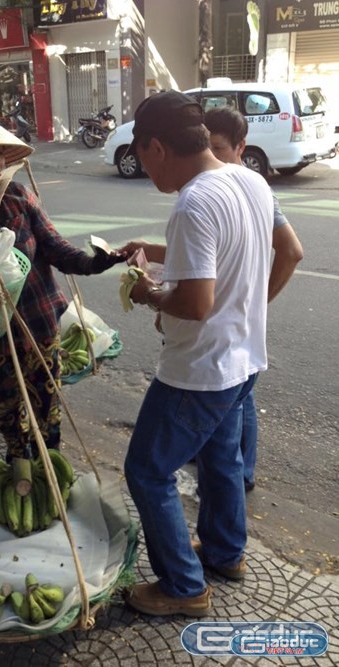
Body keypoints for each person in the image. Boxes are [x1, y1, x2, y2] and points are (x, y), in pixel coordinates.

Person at [118, 91, 274, 617]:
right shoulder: (247, 179)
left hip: (200, 370)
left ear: (157, 146)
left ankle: (183, 588)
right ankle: (227, 553)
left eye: (142, 158)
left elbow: (194, 301)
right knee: (220, 457)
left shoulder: (193, 202)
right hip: (244, 359)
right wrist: (156, 253)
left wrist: (148, 293)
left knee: (146, 471)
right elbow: (245, 255)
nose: (145, 171)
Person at [0, 105, 125, 462]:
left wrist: (95, 263)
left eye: (1, 152)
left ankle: (51, 473)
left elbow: (55, 248)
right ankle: (20, 472)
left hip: (39, 322)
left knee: (47, 410)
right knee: (10, 413)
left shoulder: (16, 195)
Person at [204, 106, 303, 491]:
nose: (209, 158)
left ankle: (237, 476)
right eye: (204, 146)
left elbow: (292, 251)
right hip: (237, 324)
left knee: (236, 398)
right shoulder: (233, 184)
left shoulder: (247, 186)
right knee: (240, 396)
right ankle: (236, 472)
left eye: (218, 148)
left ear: (241, 146)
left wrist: (258, 302)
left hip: (229, 327)